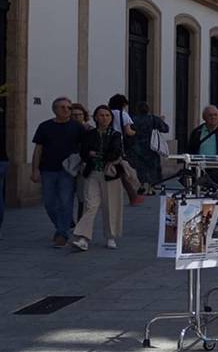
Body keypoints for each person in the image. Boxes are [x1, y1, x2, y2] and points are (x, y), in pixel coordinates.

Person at [31, 96, 85, 247]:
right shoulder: (45, 126)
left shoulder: (77, 127)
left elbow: (84, 147)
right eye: (62, 107)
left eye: (68, 107)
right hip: (47, 169)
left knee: (65, 202)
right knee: (49, 203)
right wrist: (34, 170)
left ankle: (62, 234)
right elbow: (38, 149)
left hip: (67, 171)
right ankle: (63, 226)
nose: (66, 110)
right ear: (54, 110)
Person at [71, 104, 125, 251]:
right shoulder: (89, 134)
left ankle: (110, 236)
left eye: (107, 115)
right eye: (101, 115)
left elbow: (115, 152)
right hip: (92, 172)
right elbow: (84, 152)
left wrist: (97, 154)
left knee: (111, 206)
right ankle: (83, 237)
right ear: (95, 117)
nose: (104, 118)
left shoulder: (115, 135)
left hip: (110, 174)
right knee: (90, 205)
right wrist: (93, 154)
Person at [108, 94, 145, 204]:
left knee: (118, 168)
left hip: (106, 142)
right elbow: (128, 131)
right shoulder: (122, 114)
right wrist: (136, 133)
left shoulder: (107, 113)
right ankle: (133, 195)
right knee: (123, 169)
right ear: (123, 104)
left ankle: (133, 196)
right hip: (119, 144)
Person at [126, 102, 169, 192]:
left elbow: (129, 132)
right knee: (152, 167)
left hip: (137, 147)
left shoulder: (133, 119)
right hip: (151, 147)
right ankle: (151, 187)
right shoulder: (153, 119)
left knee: (140, 167)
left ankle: (141, 185)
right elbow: (165, 129)